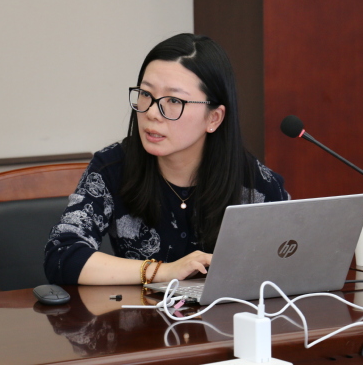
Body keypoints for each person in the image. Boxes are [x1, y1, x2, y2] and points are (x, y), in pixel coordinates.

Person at [44, 33, 290, 286]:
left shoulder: (255, 183)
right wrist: (163, 272)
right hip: (140, 312)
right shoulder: (113, 168)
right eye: (145, 94)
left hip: (228, 312)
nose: (152, 112)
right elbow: (62, 256)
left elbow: (291, 261)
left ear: (213, 118)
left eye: (174, 100)